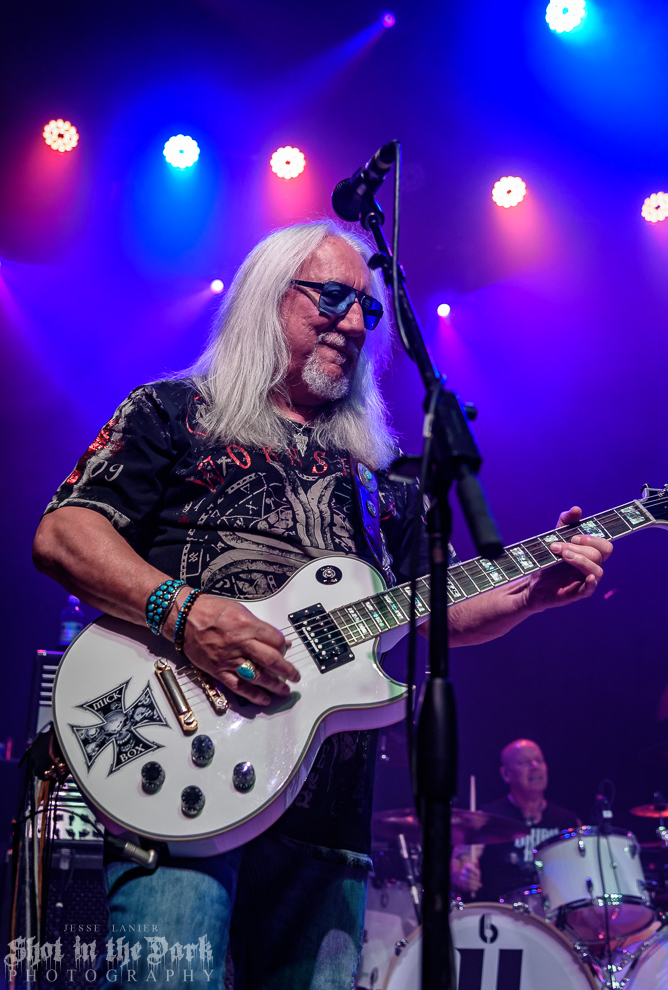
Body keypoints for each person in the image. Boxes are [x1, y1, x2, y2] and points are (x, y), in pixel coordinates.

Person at [33, 220, 612, 989]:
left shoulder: (382, 476)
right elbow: (64, 534)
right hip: (178, 781)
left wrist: (533, 593)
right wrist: (185, 611)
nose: (354, 324)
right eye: (333, 298)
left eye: (367, 310)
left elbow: (429, 613)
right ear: (268, 298)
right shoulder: (172, 411)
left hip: (327, 819)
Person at [451, 738, 579, 904]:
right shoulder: (485, 819)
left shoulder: (567, 821)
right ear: (506, 774)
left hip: (554, 913)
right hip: (500, 914)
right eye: (524, 762)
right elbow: (460, 863)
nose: (535, 766)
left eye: (539, 760)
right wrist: (463, 875)